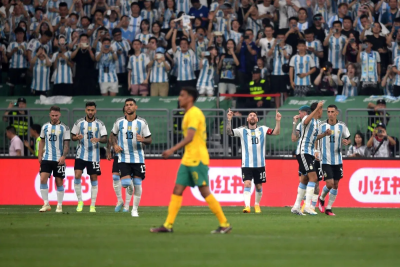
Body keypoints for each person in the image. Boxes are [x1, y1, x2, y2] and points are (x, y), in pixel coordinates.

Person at [150, 87, 231, 234]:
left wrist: (171, 150)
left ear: (190, 98)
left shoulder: (194, 113)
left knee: (204, 191)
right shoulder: (188, 113)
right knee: (177, 189)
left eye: (182, 95)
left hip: (197, 158)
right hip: (187, 158)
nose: (179, 98)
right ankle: (168, 225)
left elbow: (190, 137)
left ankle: (224, 223)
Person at [226, 108, 281, 213]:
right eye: (250, 115)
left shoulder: (263, 129)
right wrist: (229, 119)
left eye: (254, 115)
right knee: (247, 183)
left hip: (260, 164)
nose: (252, 117)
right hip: (246, 164)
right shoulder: (242, 131)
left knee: (259, 186)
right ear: (247, 119)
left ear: (257, 119)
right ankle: (247, 206)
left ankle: (257, 204)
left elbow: (276, 132)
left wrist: (278, 121)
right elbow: (229, 132)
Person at [110, 98, 152, 217]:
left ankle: (134, 209)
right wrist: (114, 145)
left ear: (135, 107)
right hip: (123, 157)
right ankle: (126, 197)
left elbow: (149, 139)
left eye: (131, 105)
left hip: (138, 158)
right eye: (127, 105)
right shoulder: (119, 122)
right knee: (126, 183)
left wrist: (143, 139)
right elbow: (112, 135)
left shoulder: (142, 123)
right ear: (125, 108)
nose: (128, 106)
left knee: (138, 184)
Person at [291, 101, 330, 216]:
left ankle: (296, 207)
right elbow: (306, 121)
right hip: (304, 152)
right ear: (317, 110)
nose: (322, 112)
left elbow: (314, 137)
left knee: (305, 179)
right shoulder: (307, 118)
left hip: (309, 153)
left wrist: (324, 134)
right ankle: (307, 206)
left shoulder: (317, 123)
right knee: (313, 178)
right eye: (321, 109)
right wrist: (316, 108)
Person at [71, 102, 108, 213]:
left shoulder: (100, 124)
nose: (90, 112)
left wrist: (99, 139)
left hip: (94, 156)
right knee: (77, 175)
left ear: (95, 111)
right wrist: (76, 137)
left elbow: (105, 138)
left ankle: (92, 205)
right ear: (85, 110)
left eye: (92, 110)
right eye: (88, 110)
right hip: (80, 154)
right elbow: (72, 137)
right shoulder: (79, 122)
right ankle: (80, 202)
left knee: (94, 179)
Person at [317, 105, 351, 216]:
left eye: (332, 112)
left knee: (336, 184)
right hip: (325, 160)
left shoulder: (342, 126)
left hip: (338, 160)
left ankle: (329, 208)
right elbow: (315, 137)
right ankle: (321, 198)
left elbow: (348, 138)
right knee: (330, 183)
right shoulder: (322, 125)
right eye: (328, 112)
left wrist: (347, 142)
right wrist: (323, 135)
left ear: (336, 113)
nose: (330, 114)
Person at [38, 106, 71, 213]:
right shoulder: (45, 127)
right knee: (43, 179)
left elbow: (66, 144)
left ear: (60, 115)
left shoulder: (64, 128)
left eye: (56, 115)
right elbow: (42, 141)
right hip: (47, 158)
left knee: (59, 182)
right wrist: (39, 155)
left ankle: (59, 205)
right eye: (52, 115)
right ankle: (46, 203)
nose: (54, 117)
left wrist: (63, 156)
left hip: (58, 159)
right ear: (49, 115)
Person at [107, 107, 133, 212]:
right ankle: (119, 200)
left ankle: (127, 205)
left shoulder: (138, 123)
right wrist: (110, 150)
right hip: (119, 155)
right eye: (126, 112)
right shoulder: (119, 123)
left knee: (127, 181)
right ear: (124, 113)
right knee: (115, 176)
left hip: (131, 156)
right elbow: (111, 136)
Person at [268, 30, 292, 107]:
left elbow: (287, 56)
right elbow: (268, 55)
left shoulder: (288, 47)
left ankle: (286, 107)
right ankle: (277, 108)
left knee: (285, 91)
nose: (280, 39)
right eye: (279, 38)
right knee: (276, 92)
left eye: (282, 38)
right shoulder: (274, 46)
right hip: (274, 73)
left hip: (284, 73)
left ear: (285, 38)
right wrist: (274, 45)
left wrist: (282, 47)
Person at [7, 27, 28, 96]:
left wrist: (24, 49)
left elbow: (28, 56)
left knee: (22, 86)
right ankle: (12, 100)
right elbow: (8, 56)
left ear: (23, 34)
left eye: (21, 33)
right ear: (15, 35)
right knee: (12, 86)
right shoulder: (11, 44)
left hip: (23, 68)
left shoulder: (26, 44)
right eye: (17, 34)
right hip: (13, 68)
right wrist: (13, 51)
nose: (19, 35)